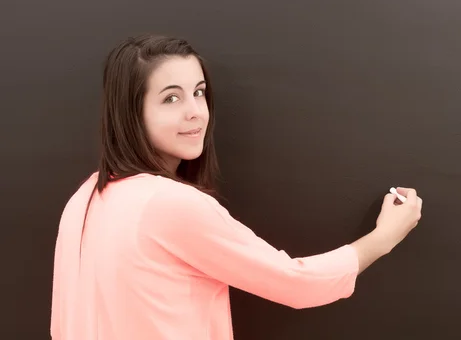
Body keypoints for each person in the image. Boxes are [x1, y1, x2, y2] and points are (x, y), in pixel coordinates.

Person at [50, 33, 423, 340]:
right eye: (171, 98)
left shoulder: (84, 198)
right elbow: (296, 283)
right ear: (131, 114)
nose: (195, 111)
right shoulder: (169, 204)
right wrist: (385, 236)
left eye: (198, 92)